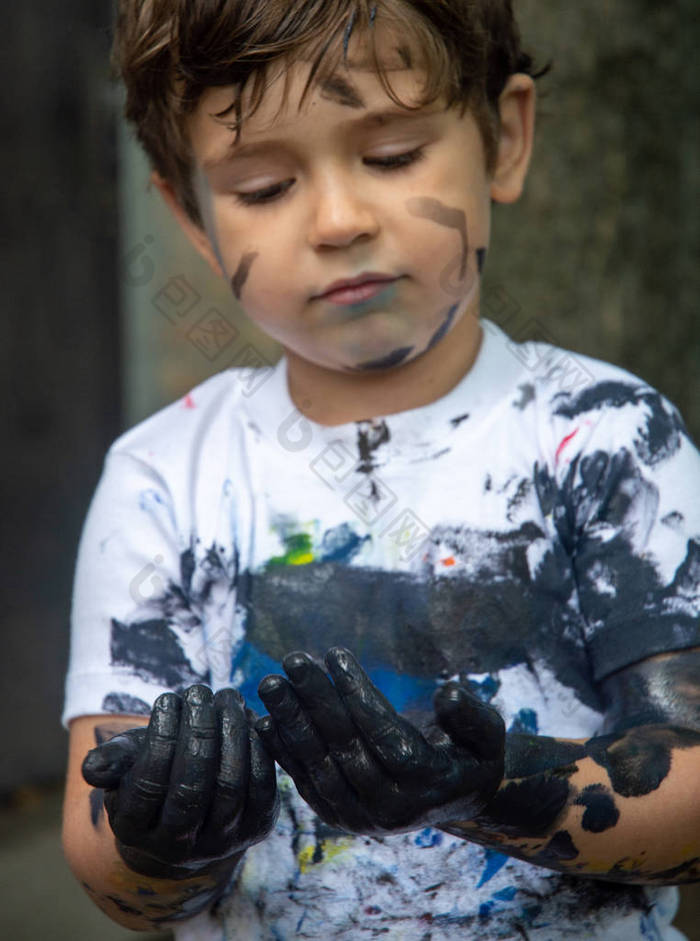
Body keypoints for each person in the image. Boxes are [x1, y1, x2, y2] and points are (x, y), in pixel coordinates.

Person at [61, 2, 700, 939]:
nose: (338, 219)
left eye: (393, 157)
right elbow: (107, 863)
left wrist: (500, 789)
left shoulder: (604, 440)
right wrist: (171, 832)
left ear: (504, 139)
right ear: (191, 217)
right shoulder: (162, 479)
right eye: (266, 186)